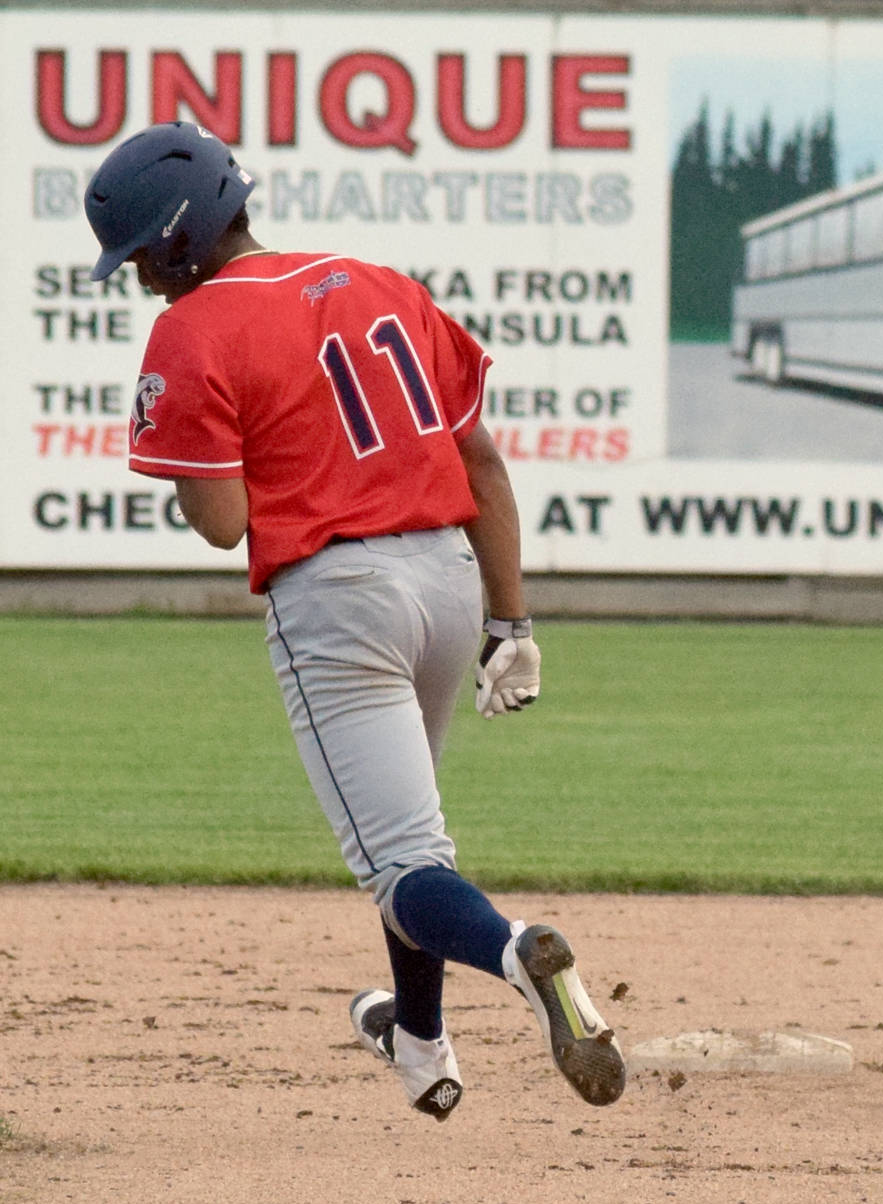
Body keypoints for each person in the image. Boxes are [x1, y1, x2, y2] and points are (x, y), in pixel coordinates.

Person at [85, 121, 625, 1121]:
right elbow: (483, 467)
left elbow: (222, 524)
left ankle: (517, 955)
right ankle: (420, 1044)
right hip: (452, 588)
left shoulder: (191, 330)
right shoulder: (380, 282)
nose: (138, 280)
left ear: (176, 243)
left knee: (400, 867)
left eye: (140, 259)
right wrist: (513, 623)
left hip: (340, 605)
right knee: (415, 839)